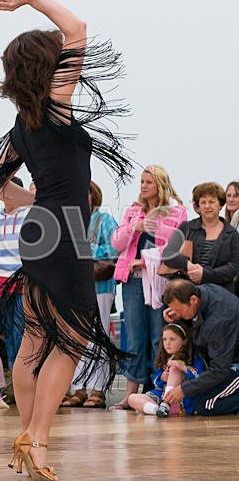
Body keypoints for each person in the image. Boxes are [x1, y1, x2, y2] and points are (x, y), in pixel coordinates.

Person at [0, 0, 133, 480]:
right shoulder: (55, 106)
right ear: (47, 67)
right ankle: (38, 441)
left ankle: (30, 439)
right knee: (67, 342)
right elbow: (78, 29)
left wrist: (34, 200)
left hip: (40, 230)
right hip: (65, 233)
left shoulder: (22, 125)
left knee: (32, 344)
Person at [109, 166, 188, 411]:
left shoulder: (177, 211)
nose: (143, 186)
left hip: (160, 280)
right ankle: (130, 395)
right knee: (133, 337)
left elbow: (177, 245)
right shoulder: (133, 211)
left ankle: (156, 390)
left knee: (158, 337)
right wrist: (135, 227)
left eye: (149, 183)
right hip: (132, 280)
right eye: (142, 182)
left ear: (160, 185)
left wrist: (145, 261)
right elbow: (116, 243)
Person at [62, 181, 119, 409]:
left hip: (100, 287)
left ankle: (98, 389)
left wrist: (85, 249)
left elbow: (114, 249)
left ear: (93, 196)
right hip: (74, 287)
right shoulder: (69, 222)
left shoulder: (105, 220)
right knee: (77, 339)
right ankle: (79, 388)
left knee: (99, 339)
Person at [161, 280, 239, 415]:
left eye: (179, 309)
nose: (176, 313)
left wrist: (184, 389)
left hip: (231, 364)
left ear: (193, 300)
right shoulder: (201, 292)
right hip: (228, 359)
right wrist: (180, 317)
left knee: (205, 404)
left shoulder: (219, 321)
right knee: (196, 395)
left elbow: (220, 369)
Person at [0, 177, 31, 370]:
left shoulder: (29, 216)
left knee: (21, 334)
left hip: (23, 285)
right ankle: (13, 380)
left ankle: (22, 380)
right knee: (7, 334)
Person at [162, 182, 239, 292]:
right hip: (186, 295)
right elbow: (168, 254)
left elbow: (234, 267)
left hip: (220, 296)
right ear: (198, 206)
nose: (207, 206)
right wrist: (188, 265)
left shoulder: (232, 234)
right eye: (203, 202)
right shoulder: (186, 227)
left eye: (212, 201)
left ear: (220, 204)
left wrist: (204, 274)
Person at [127, 323, 204, 417]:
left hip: (183, 397)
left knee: (175, 368)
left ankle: (166, 403)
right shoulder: (164, 358)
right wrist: (162, 378)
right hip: (161, 395)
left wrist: (183, 368)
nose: (167, 343)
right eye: (164, 339)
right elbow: (156, 382)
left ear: (184, 341)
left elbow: (201, 377)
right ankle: (157, 410)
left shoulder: (194, 357)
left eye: (172, 339)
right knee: (132, 398)